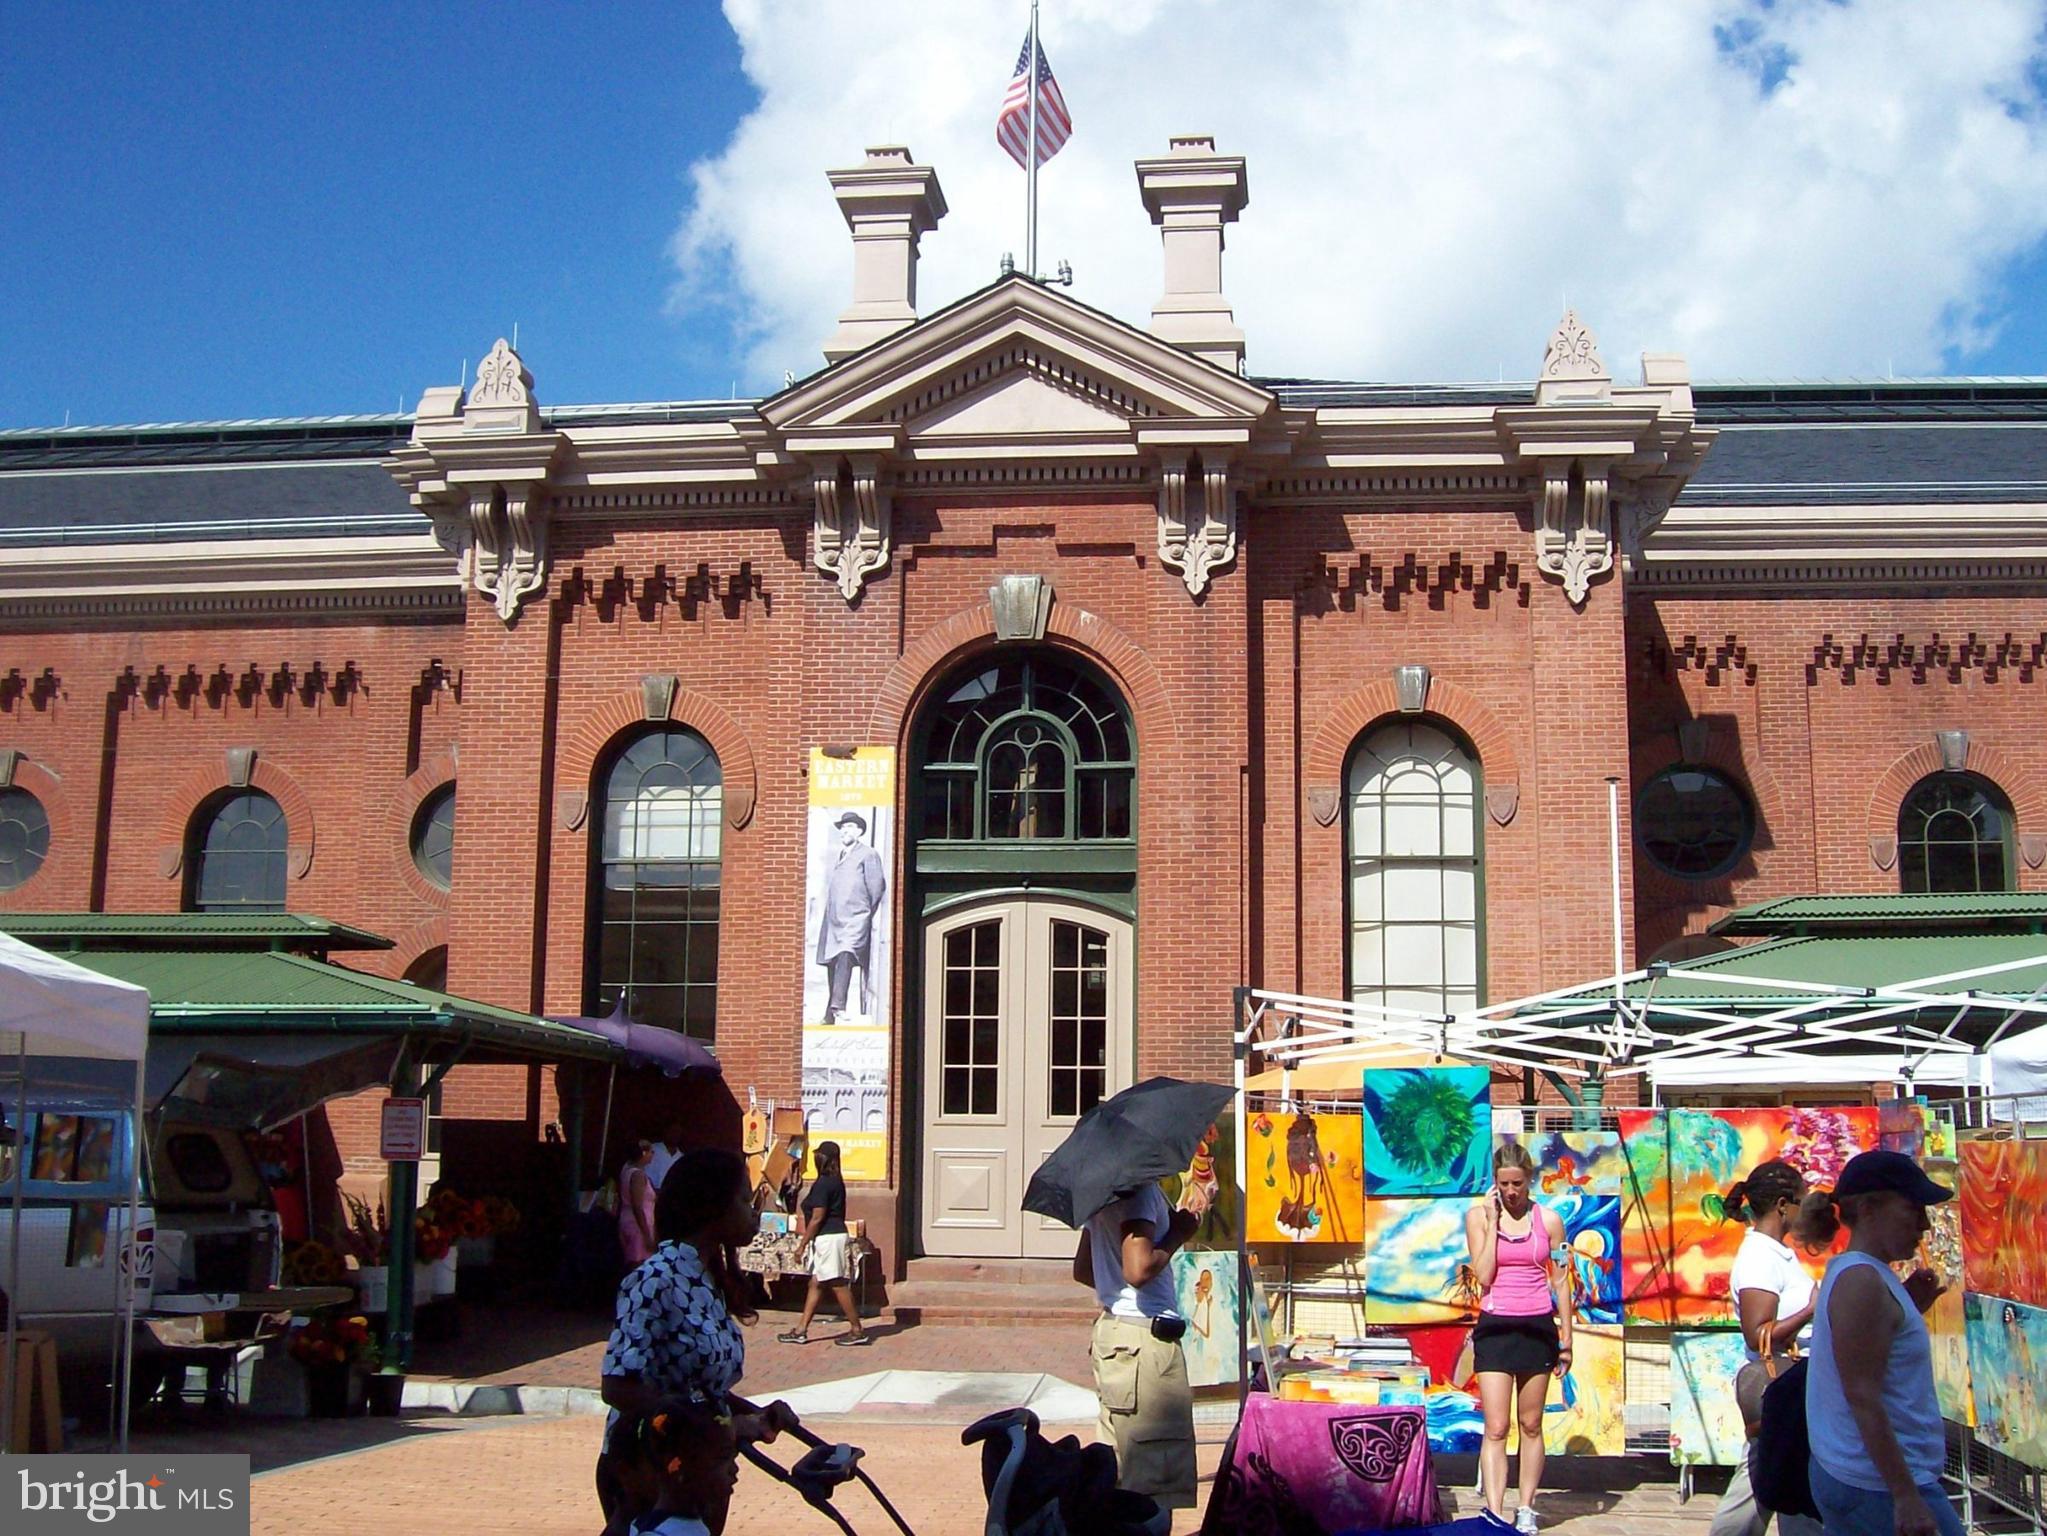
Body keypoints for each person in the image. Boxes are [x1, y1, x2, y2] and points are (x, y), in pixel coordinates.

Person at [599, 1147, 793, 1535]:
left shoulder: (707, 1277)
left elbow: (702, 1388)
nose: (752, 1209)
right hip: (653, 1474)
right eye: (743, 1199)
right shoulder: (656, 1278)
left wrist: (754, 1416)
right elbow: (618, 1385)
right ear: (713, 1208)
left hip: (703, 1471)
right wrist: (714, 1429)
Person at [1803, 1150, 1961, 1536]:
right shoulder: (1862, 1280)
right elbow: (1862, 1395)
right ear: (1870, 1209)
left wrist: (1907, 1308)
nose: (1923, 1225)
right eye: (1913, 1210)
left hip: (1868, 1478)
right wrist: (1905, 1496)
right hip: (1878, 1484)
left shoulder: (1864, 1274)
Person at [1070, 1178, 1205, 1510]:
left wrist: (1113, 1279)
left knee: (1117, 1463)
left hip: (1115, 1333)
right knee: (1154, 1474)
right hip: (1144, 1340)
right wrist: (1179, 1232)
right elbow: (1138, 1269)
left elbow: (1084, 1270)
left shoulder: (1104, 1191)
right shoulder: (1141, 1192)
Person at [1708, 1159, 1826, 1536]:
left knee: (1783, 1486)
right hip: (1780, 1392)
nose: (1803, 1211)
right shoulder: (1759, 1258)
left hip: (1795, 1392)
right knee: (1760, 1486)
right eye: (1800, 1202)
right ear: (1781, 1205)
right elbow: (1757, 1334)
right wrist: (1811, 1309)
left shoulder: (1775, 1254)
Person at [1464, 1140, 1570, 1534]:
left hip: (1537, 1327)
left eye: (1518, 1185)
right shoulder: (1478, 1218)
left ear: (1530, 1182)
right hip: (1496, 1327)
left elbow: (1561, 1280)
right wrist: (1492, 1224)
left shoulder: (1550, 1221)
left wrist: (1567, 1339)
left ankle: (1526, 1506)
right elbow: (1485, 1275)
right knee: (1496, 1426)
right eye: (1504, 1184)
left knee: (1530, 1423)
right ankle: (1495, 1508)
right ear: (1494, 1183)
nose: (1511, 1192)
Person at [775, 1140, 870, 1347]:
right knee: (816, 1283)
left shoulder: (826, 1183)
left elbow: (818, 1217)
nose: (816, 1158)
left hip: (829, 1238)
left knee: (837, 1283)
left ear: (826, 1159)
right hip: (827, 1238)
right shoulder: (832, 1181)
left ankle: (857, 1329)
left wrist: (802, 1245)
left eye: (819, 1155)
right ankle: (801, 1330)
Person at [615, 1399, 741, 1536]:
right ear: (678, 1468)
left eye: (732, 1457)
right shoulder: (658, 1533)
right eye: (722, 1459)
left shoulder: (690, 1527)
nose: (734, 1469)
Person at [815, 810, 885, 1024]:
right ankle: (830, 1013)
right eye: (843, 827)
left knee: (846, 954)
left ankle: (839, 1006)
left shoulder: (868, 854)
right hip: (834, 920)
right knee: (832, 962)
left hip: (855, 919)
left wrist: (863, 911)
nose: (845, 831)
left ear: (860, 831)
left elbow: (876, 887)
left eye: (849, 827)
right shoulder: (842, 855)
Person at [619, 1139, 658, 1269]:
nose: (653, 1154)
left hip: (628, 1220)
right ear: (643, 1153)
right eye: (651, 1151)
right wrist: (646, 1234)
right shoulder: (637, 1175)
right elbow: (637, 1205)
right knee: (638, 1265)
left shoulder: (626, 1169)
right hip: (638, 1226)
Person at [648, 1123, 685, 1193]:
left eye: (678, 1132)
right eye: (672, 1131)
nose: (675, 1135)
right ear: (665, 1132)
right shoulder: (652, 1149)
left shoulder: (681, 1157)